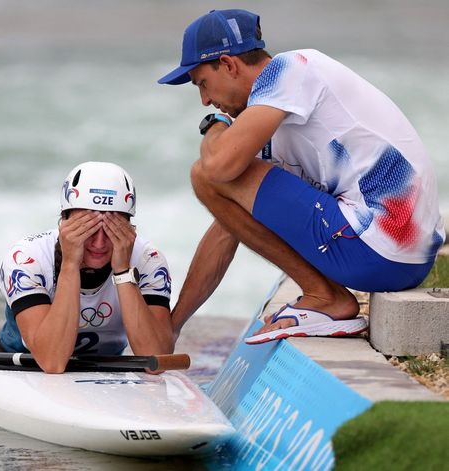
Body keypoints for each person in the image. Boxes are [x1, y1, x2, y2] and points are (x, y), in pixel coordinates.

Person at [158, 9, 445, 344]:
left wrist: (215, 126)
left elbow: (217, 170)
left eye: (203, 83)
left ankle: (325, 298)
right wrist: (174, 326)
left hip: (380, 247)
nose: (205, 100)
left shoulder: (291, 69)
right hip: (408, 258)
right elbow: (227, 227)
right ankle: (323, 294)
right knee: (220, 182)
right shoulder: (277, 120)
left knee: (205, 175)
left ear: (229, 64)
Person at [0, 161, 174, 372]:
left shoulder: (148, 259)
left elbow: (157, 360)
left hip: (105, 371)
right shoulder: (27, 257)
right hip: (23, 365)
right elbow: (52, 361)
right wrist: (70, 264)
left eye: (111, 229)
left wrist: (123, 271)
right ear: (64, 221)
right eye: (86, 228)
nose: (98, 243)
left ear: (129, 227)